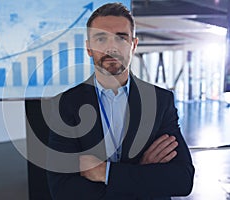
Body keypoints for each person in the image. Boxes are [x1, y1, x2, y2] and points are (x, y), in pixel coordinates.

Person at [46, 3, 194, 200]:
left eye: (121, 38)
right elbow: (63, 190)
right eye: (101, 38)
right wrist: (140, 172)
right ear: (89, 48)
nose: (111, 47)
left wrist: (105, 172)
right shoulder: (65, 105)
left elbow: (182, 180)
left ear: (133, 45)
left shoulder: (160, 101)